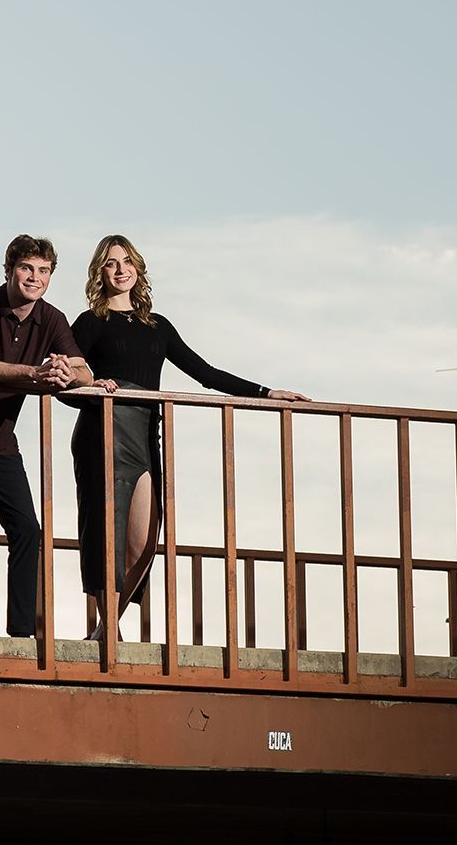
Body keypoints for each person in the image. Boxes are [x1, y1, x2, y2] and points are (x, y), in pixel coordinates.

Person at [71, 235, 309, 630]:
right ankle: (108, 631)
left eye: (127, 262)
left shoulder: (157, 326)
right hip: (104, 431)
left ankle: (106, 624)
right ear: (100, 271)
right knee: (106, 534)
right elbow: (68, 380)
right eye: (111, 263)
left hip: (146, 433)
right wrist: (93, 387)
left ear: (138, 269)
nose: (120, 270)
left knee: (144, 543)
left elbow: (206, 374)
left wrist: (267, 392)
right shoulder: (91, 321)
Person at [0, 234, 110, 639]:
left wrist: (67, 374)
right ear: (10, 270)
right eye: (27, 268)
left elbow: (84, 372)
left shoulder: (52, 318)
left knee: (27, 529)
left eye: (43, 271)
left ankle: (21, 632)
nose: (35, 277)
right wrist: (35, 374)